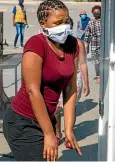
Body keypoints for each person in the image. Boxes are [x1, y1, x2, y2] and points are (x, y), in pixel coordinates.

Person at [3, 0, 82, 161]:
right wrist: (48, 133)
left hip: (46, 118)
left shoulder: (73, 44)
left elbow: (71, 89)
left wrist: (68, 129)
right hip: (23, 121)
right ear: (43, 23)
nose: (64, 26)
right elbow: (33, 91)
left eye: (66, 21)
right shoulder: (36, 44)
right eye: (58, 22)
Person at [55, 17, 90, 147]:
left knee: (71, 107)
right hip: (58, 79)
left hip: (75, 78)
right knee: (56, 109)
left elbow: (83, 64)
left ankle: (69, 134)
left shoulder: (78, 43)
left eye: (67, 26)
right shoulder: (54, 42)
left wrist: (86, 83)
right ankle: (58, 133)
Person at [84, 5, 101, 84]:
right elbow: (87, 35)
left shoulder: (104, 21)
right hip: (94, 44)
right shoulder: (90, 22)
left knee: (104, 60)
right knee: (96, 61)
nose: (96, 13)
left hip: (103, 44)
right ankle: (98, 76)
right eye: (95, 12)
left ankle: (104, 75)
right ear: (92, 13)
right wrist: (86, 46)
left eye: (98, 12)